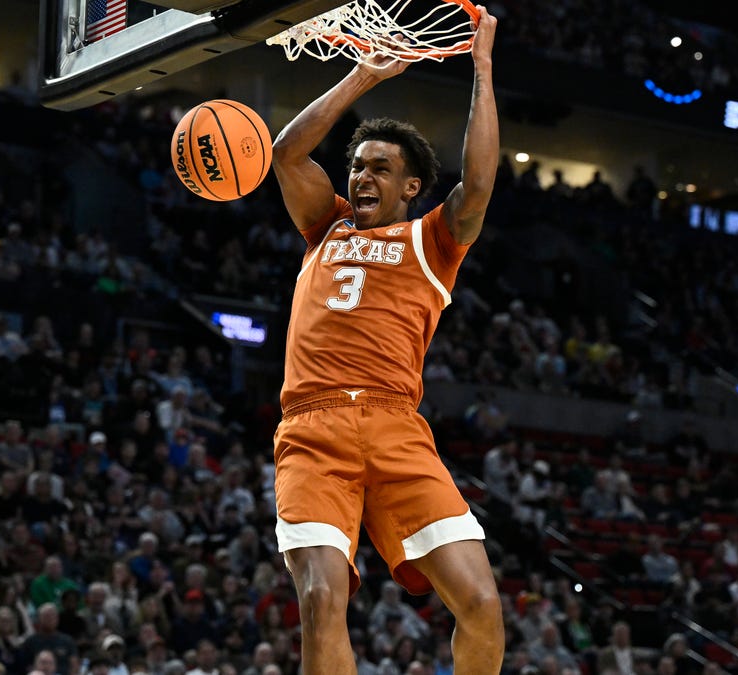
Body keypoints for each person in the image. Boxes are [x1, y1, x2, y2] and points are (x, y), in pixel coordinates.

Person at [268, 7, 502, 675]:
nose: (362, 178)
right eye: (357, 166)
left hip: (396, 425)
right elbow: (286, 153)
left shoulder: (434, 239)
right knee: (320, 599)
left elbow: (479, 183)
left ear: (411, 187)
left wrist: (482, 69)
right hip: (313, 429)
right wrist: (359, 77)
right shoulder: (325, 227)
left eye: (379, 169)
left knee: (482, 602)